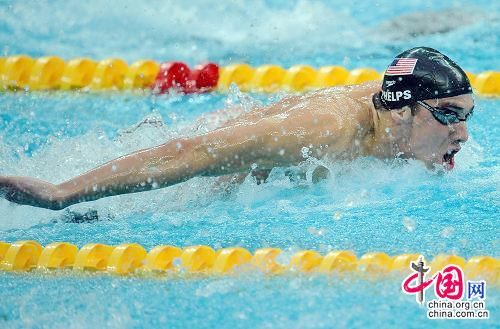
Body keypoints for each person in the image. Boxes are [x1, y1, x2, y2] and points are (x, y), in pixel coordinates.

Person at [0, 47, 474, 210]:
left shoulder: (403, 117)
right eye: (449, 116)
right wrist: (64, 192)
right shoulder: (326, 131)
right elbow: (194, 153)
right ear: (403, 112)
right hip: (198, 179)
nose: (463, 135)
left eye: (466, 116)